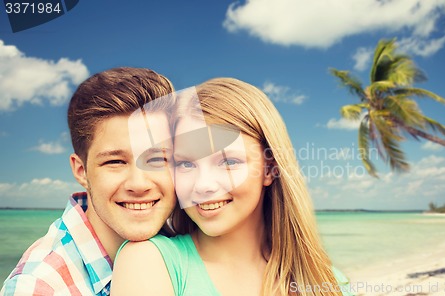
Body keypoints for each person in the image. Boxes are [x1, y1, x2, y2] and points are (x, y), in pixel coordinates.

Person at [111, 78, 352, 295]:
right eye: (185, 164)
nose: (203, 185)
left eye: (228, 162)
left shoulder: (329, 282)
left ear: (269, 169)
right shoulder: (149, 262)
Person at [0, 67, 177, 295]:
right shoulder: (40, 286)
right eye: (115, 162)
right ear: (81, 171)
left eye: (156, 159)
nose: (139, 184)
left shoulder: (188, 243)